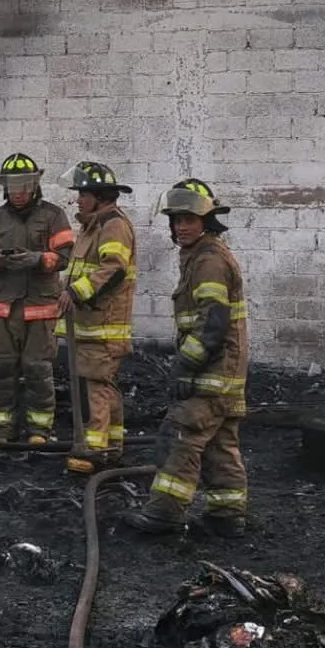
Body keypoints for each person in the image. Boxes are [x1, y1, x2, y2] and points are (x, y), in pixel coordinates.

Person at [124, 179, 249, 537]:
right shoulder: (203, 254)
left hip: (211, 372)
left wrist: (185, 365)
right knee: (221, 444)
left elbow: (213, 320)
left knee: (181, 436)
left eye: (189, 219)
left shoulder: (209, 260)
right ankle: (227, 514)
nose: (181, 226)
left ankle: (164, 512)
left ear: (207, 220)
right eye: (176, 219)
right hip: (225, 372)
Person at [0, 153, 74, 445]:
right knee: (2, 368)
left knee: (37, 369)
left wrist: (38, 259)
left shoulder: (53, 216)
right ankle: (1, 429)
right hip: (4, 310)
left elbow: (65, 257)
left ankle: (39, 430)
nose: (17, 194)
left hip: (40, 309)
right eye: (12, 187)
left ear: (34, 186)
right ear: (4, 187)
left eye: (23, 187)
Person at [55, 161, 136, 475]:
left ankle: (95, 451)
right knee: (104, 386)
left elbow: (114, 268)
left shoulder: (112, 225)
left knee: (98, 388)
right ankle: (112, 448)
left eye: (83, 194)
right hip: (93, 324)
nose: (78, 200)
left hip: (104, 325)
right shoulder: (94, 225)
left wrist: (76, 292)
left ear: (100, 196)